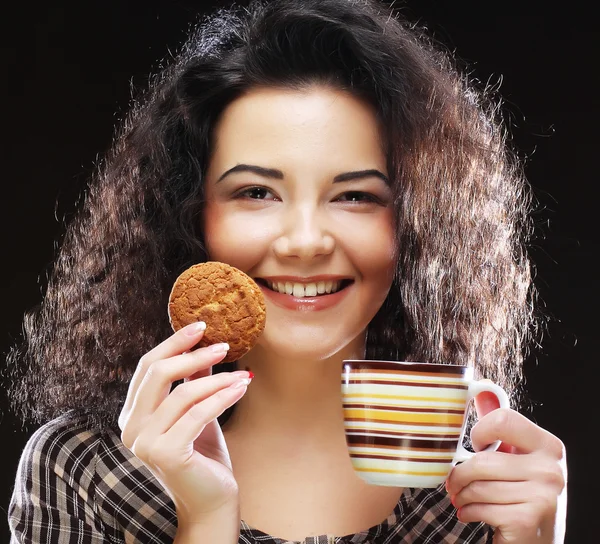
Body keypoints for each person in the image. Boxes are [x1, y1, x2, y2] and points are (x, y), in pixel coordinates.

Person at [6, 0, 567, 542]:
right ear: (190, 214)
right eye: (256, 192)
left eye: (354, 196)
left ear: (417, 222)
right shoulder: (80, 472)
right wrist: (205, 520)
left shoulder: (487, 485)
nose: (304, 242)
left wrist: (533, 542)